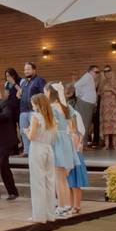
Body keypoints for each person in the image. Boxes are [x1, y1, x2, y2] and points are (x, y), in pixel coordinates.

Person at [26, 93, 57, 224]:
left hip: (37, 148)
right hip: (49, 149)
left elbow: (32, 137)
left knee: (37, 181)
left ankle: (39, 216)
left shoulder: (36, 117)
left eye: (33, 103)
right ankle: (50, 214)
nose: (32, 105)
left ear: (38, 104)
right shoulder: (51, 118)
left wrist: (26, 131)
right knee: (50, 182)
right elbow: (54, 138)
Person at [48, 83, 77, 217]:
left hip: (58, 140)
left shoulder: (52, 108)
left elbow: (51, 127)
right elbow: (73, 128)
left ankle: (61, 205)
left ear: (49, 92)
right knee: (63, 178)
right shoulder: (67, 107)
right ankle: (66, 205)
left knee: (58, 178)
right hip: (66, 140)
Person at [65, 83, 89, 215]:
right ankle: (69, 204)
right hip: (65, 151)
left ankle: (77, 205)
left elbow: (81, 132)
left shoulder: (75, 115)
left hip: (74, 151)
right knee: (68, 182)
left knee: (75, 181)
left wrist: (77, 145)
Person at [17, 62, 46, 154]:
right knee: (23, 131)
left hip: (34, 111)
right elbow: (20, 93)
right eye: (25, 69)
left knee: (35, 131)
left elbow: (43, 95)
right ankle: (26, 151)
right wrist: (18, 94)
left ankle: (36, 152)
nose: (26, 71)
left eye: (28, 69)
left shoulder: (40, 80)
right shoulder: (24, 82)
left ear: (34, 70)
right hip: (23, 110)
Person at [73, 65, 100, 148]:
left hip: (88, 103)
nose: (97, 74)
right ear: (90, 71)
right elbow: (76, 85)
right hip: (84, 103)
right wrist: (80, 96)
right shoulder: (87, 77)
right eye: (96, 72)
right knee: (84, 123)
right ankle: (81, 144)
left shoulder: (90, 79)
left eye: (98, 72)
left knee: (86, 124)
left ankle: (83, 144)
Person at [99, 66, 116, 150]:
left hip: (113, 105)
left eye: (108, 71)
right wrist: (103, 90)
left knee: (114, 124)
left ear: (112, 72)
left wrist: (111, 89)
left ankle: (114, 145)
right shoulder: (102, 82)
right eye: (105, 72)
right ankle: (106, 145)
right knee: (106, 125)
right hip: (105, 105)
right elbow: (99, 93)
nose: (107, 73)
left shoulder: (115, 81)